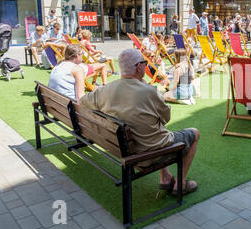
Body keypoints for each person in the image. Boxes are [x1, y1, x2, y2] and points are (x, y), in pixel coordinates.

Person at [80, 48, 199, 195]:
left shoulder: (105, 90)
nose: (146, 65)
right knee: (194, 133)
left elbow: (82, 102)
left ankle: (165, 178)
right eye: (144, 63)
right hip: (149, 154)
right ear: (138, 67)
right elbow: (166, 117)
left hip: (123, 149)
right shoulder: (149, 91)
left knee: (153, 128)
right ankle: (180, 185)